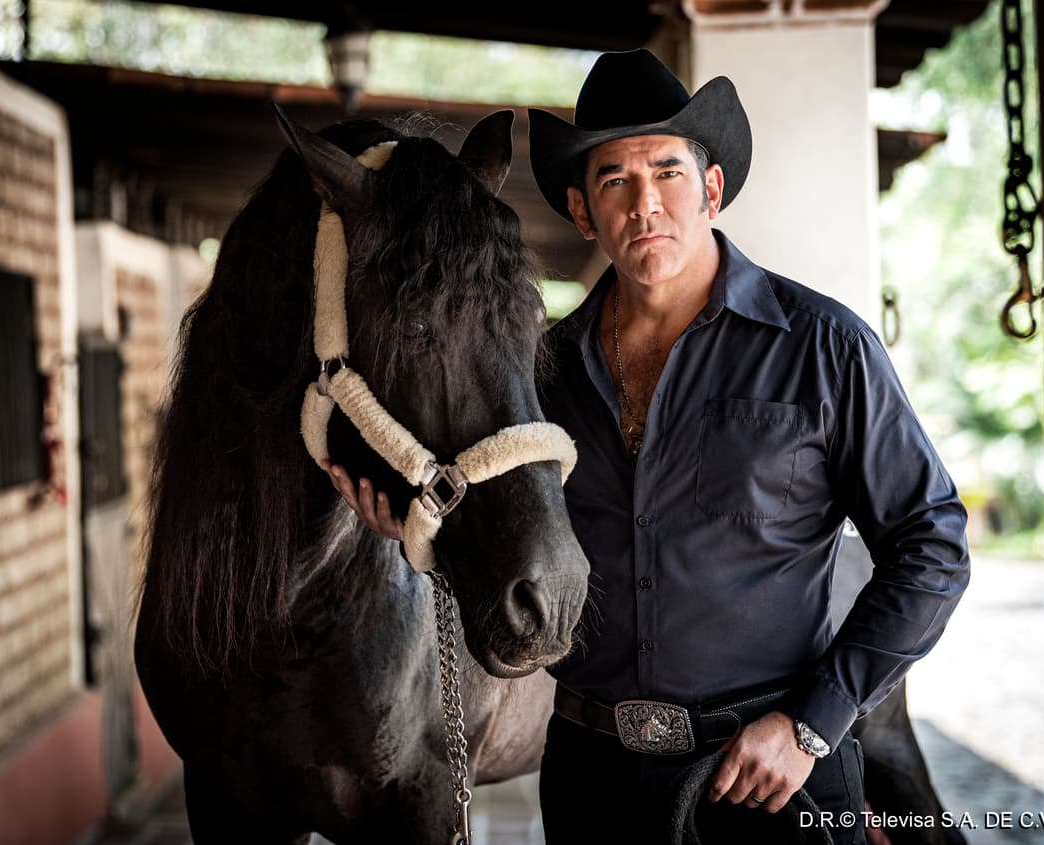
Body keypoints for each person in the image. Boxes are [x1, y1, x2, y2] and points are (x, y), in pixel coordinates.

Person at [325, 48, 970, 845]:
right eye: (614, 180)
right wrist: (420, 528)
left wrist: (812, 723)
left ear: (711, 189)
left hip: (772, 779)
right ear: (581, 209)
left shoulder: (823, 347)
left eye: (667, 171)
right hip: (590, 782)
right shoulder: (542, 375)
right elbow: (510, 534)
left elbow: (932, 544)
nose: (645, 204)